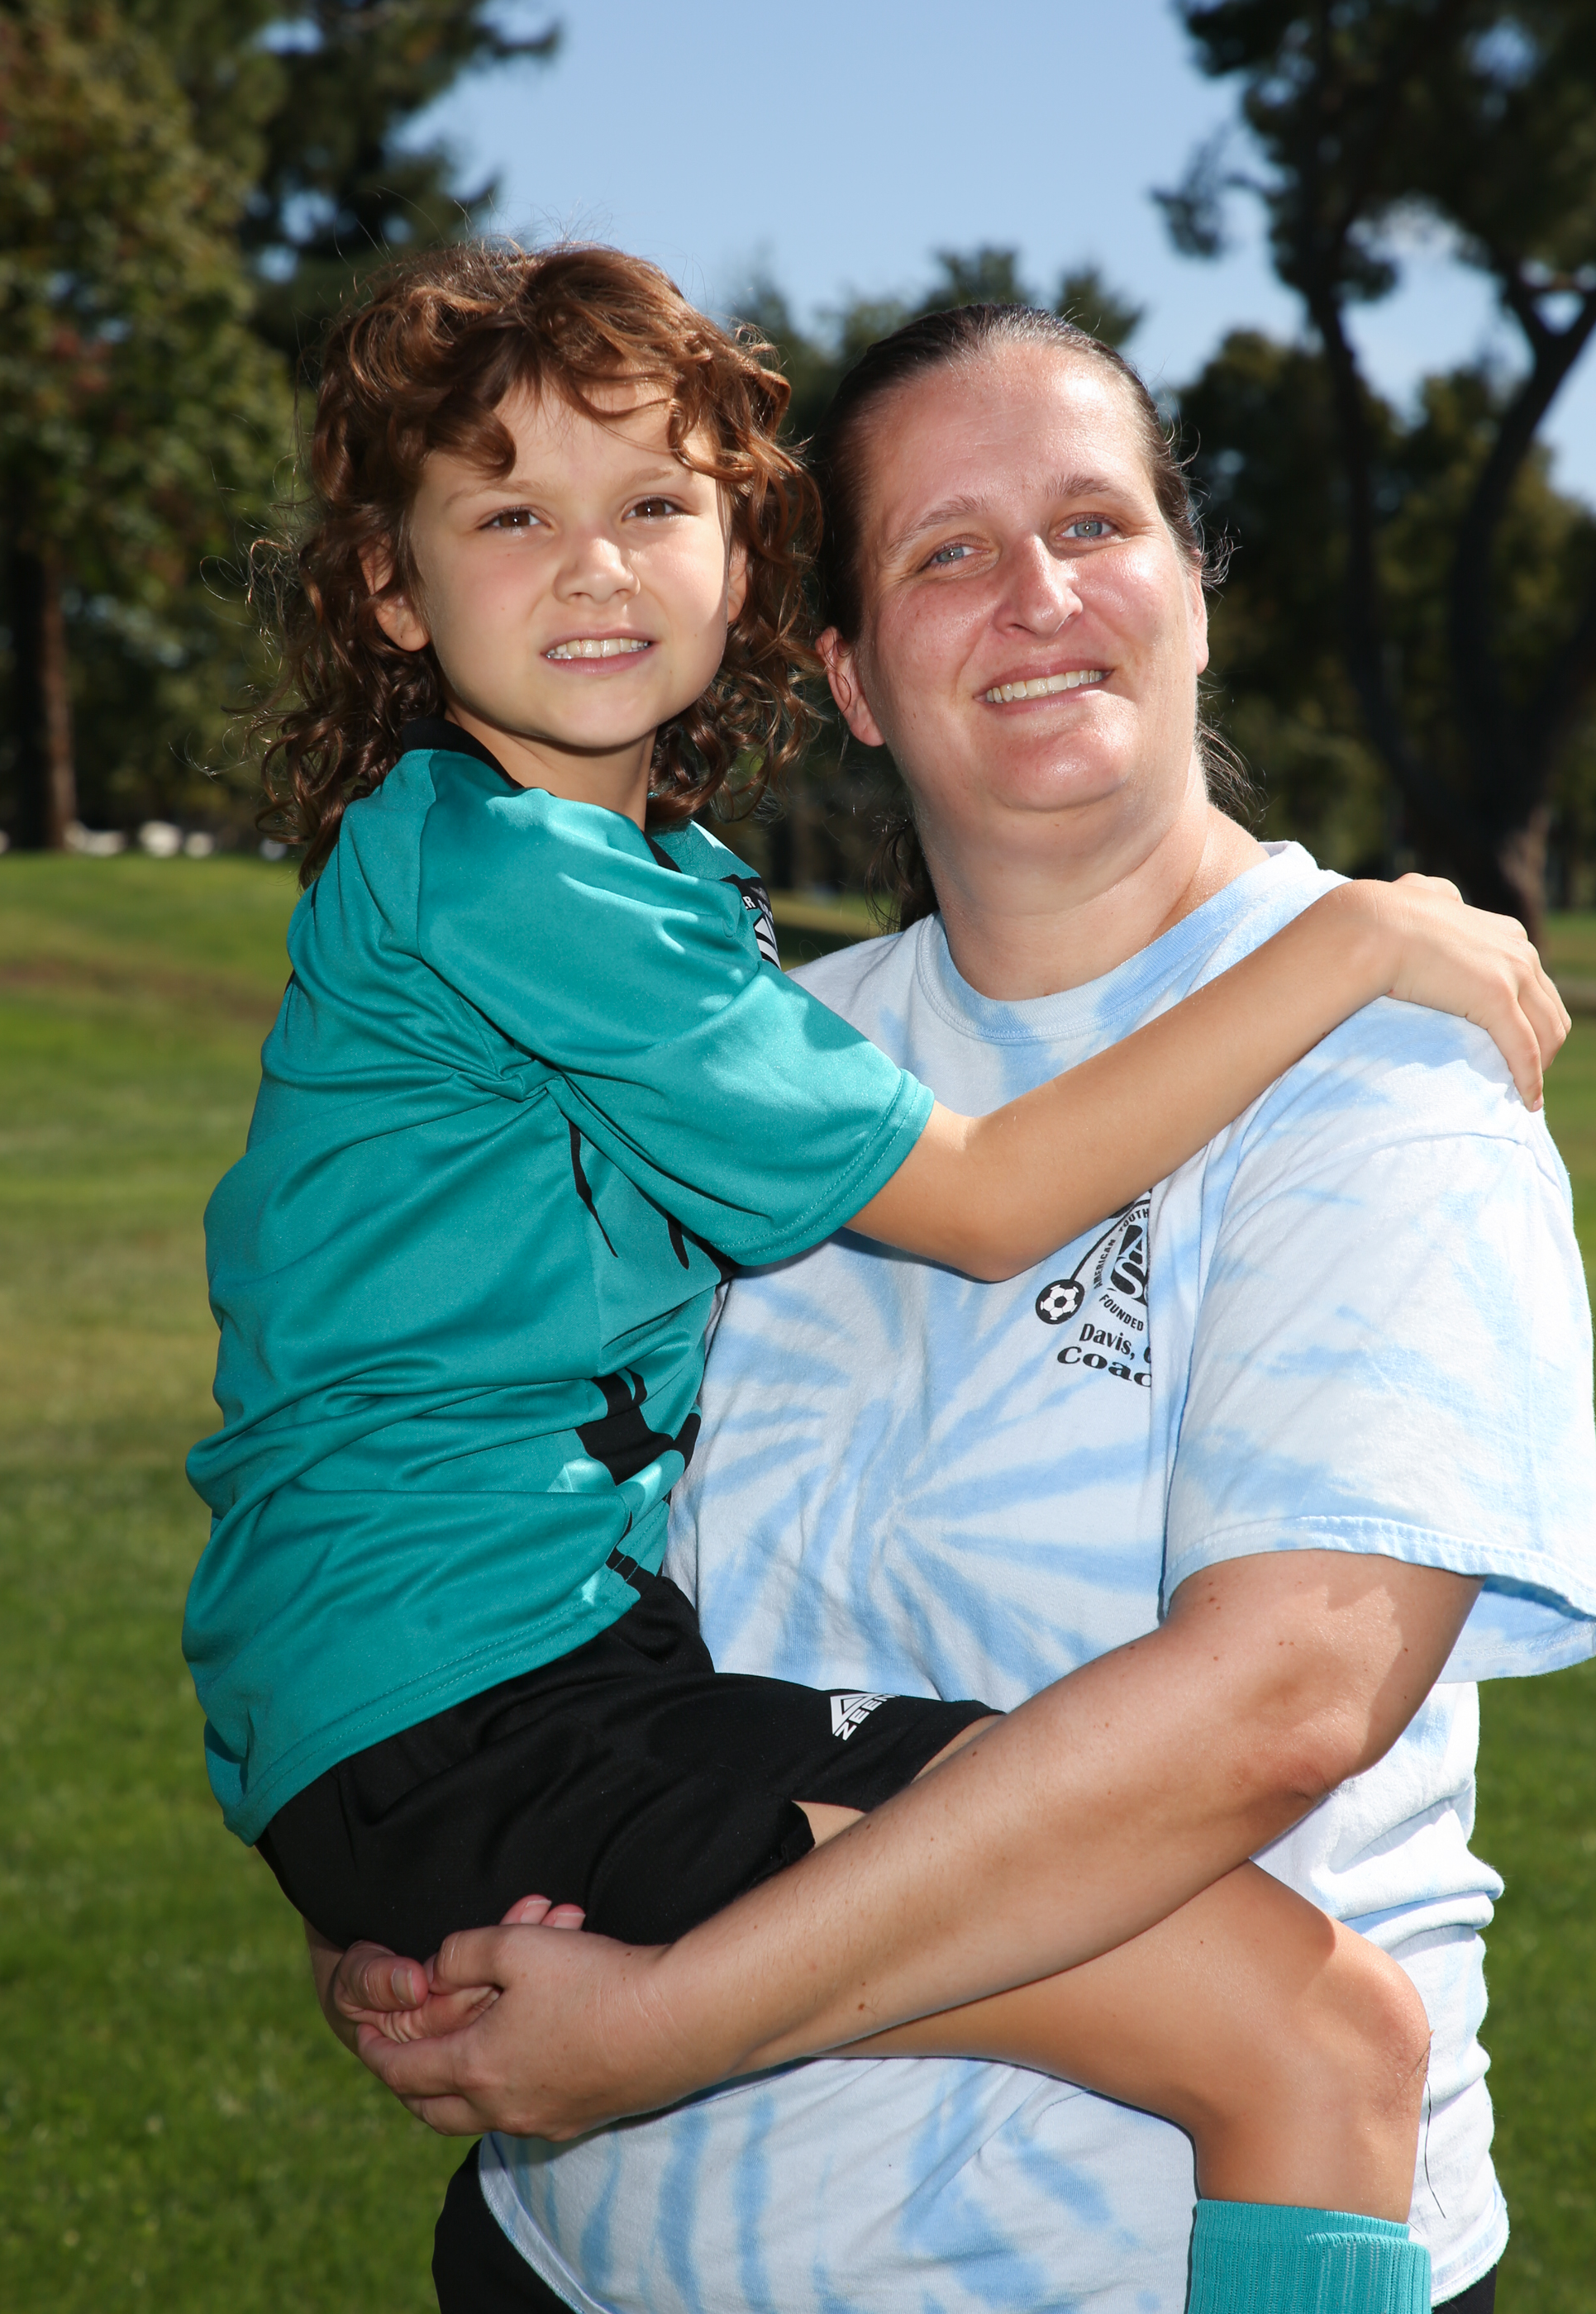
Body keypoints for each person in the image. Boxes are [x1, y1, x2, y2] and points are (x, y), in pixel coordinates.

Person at [324, 300, 1596, 2314]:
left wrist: (655, 2024)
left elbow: (1280, 1700)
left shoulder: (1381, 1059)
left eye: (1095, 524)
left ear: (1192, 591)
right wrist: (421, 1846)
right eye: (946, 550)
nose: (1037, 594)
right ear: (843, 669)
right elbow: (494, 1503)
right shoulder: (757, 1054)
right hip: (580, 2255)